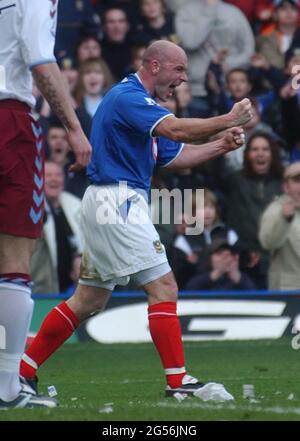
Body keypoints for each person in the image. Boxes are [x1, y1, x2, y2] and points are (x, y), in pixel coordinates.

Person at [20, 40, 252, 402]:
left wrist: (222, 144)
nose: (182, 79)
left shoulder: (141, 108)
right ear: (155, 65)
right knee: (163, 287)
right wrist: (229, 119)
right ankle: (178, 383)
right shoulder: (129, 97)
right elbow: (176, 131)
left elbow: (175, 156)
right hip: (117, 200)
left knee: (88, 301)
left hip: (108, 201)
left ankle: (23, 372)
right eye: (179, 70)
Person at [0, 0, 92, 408]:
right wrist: (74, 128)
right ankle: (7, 387)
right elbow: (40, 61)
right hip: (9, 120)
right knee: (14, 260)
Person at [259, 162, 300, 290]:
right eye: (297, 180)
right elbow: (267, 243)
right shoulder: (276, 209)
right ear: (286, 186)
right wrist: (284, 220)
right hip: (289, 291)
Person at [185, 238, 256, 291]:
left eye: (228, 255)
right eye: (219, 254)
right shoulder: (200, 276)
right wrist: (217, 273)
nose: (224, 258)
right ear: (209, 259)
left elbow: (254, 295)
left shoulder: (241, 277)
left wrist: (237, 277)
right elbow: (190, 289)